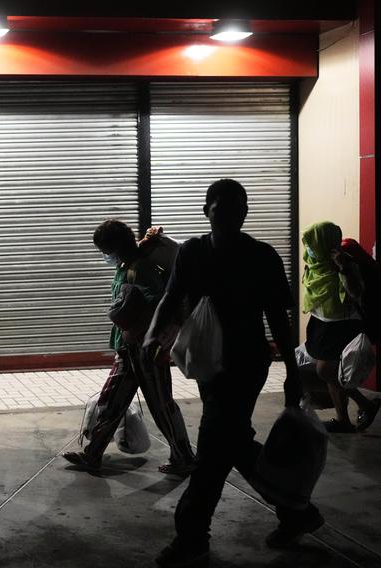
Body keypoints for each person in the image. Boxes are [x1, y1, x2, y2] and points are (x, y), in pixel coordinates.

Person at [143, 179, 322, 567]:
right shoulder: (192, 252)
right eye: (221, 205)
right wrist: (153, 334)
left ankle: (192, 537)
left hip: (246, 366)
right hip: (208, 365)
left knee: (211, 451)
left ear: (246, 212)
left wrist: (293, 371)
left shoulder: (262, 256)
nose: (229, 212)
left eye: (237, 206)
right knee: (234, 444)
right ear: (206, 209)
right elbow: (171, 297)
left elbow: (278, 316)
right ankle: (297, 512)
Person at [63, 220, 195, 475]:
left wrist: (144, 332)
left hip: (145, 349)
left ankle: (184, 457)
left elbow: (159, 302)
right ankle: (92, 454)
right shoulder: (129, 264)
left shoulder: (140, 267)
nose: (105, 256)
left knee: (161, 405)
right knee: (111, 401)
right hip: (128, 349)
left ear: (114, 248)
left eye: (104, 250)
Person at [302, 222, 381, 432]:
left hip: (342, 325)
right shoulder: (314, 261)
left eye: (312, 242)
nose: (309, 247)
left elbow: (355, 293)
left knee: (326, 370)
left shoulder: (345, 262)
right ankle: (343, 419)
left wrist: (343, 269)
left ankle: (365, 404)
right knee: (329, 371)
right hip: (322, 322)